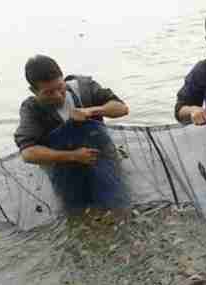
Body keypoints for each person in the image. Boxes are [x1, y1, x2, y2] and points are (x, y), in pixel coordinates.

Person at [14, 55, 130, 210]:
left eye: (60, 87)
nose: (57, 95)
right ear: (34, 91)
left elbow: (122, 108)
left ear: (63, 79)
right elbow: (28, 153)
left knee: (118, 209)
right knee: (78, 216)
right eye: (48, 92)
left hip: (105, 162)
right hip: (65, 174)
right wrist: (73, 156)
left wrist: (92, 110)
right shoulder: (31, 109)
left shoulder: (84, 88)